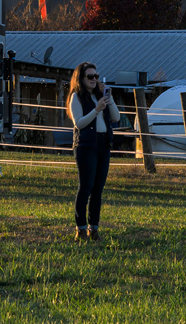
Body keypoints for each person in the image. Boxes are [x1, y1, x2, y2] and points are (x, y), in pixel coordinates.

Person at [67, 62, 118, 241]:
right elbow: (79, 123)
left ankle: (93, 228)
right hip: (86, 145)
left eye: (96, 76)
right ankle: (80, 229)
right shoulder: (77, 97)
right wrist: (96, 110)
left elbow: (116, 117)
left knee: (98, 190)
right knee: (85, 188)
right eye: (90, 76)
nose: (94, 79)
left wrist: (109, 100)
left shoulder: (99, 96)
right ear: (80, 79)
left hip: (103, 144)